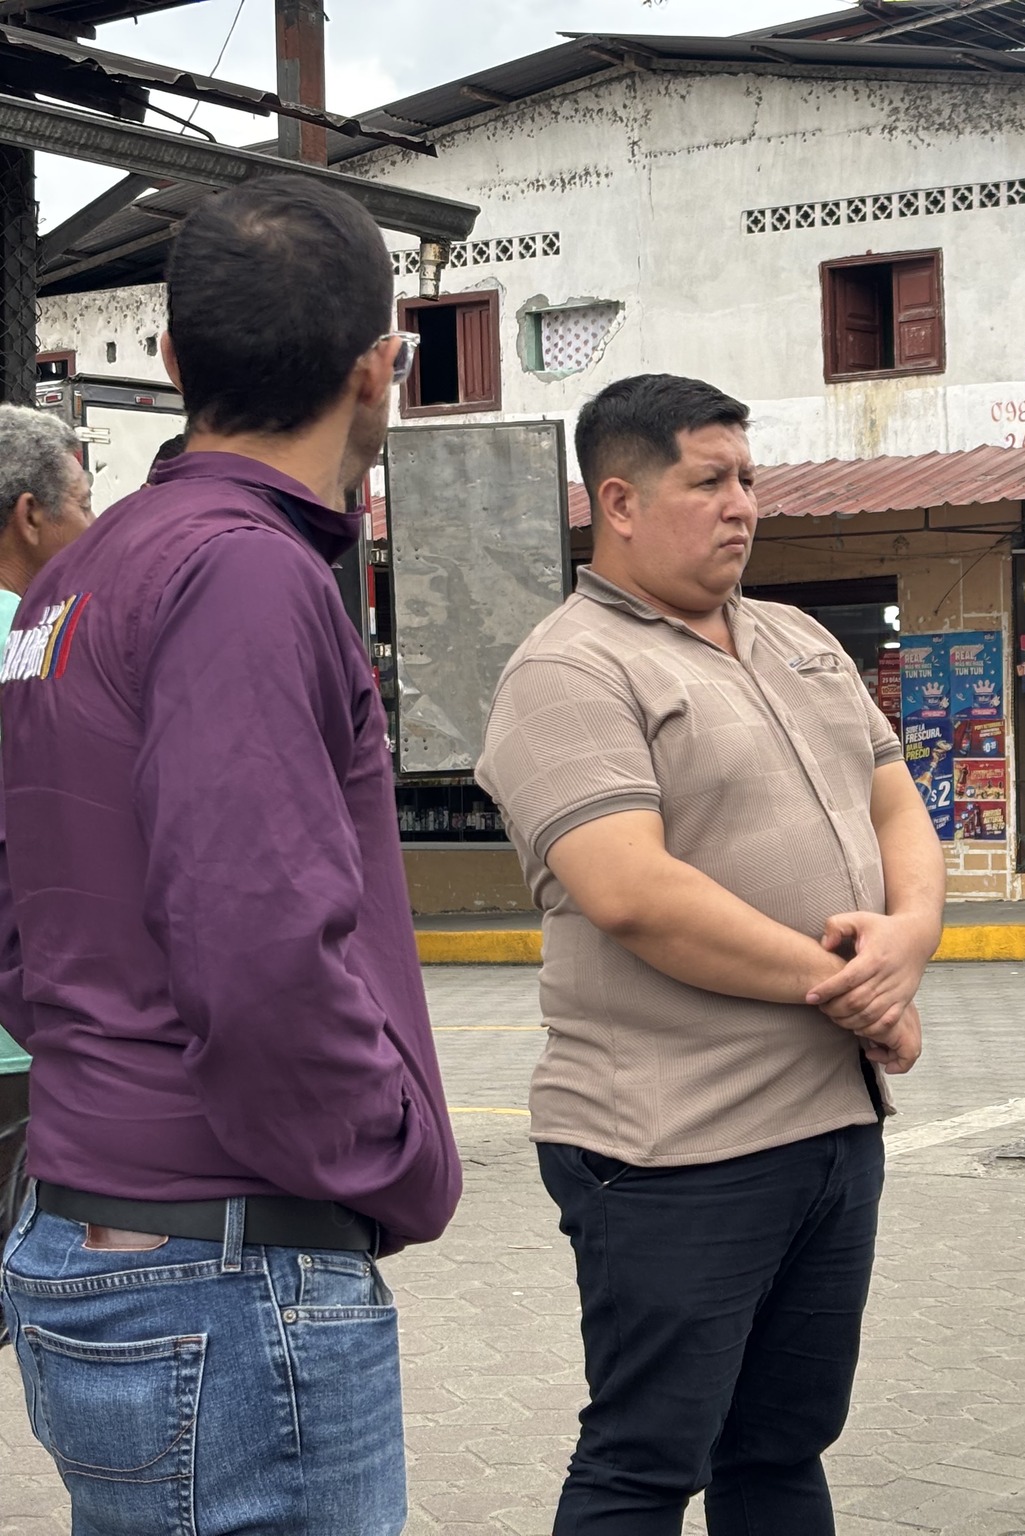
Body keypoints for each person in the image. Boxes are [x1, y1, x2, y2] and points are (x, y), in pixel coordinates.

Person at [0, 176, 461, 1534]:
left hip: (97, 1222)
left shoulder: (71, 581)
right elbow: (258, 944)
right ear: (380, 367)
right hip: (230, 1261)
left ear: (171, 359)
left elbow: (22, 917)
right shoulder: (244, 574)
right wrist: (391, 1155)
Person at [475, 372, 943, 1534]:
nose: (742, 505)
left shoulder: (796, 638)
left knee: (781, 1446)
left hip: (828, 1127)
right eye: (709, 481)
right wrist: (851, 987)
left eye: (747, 478)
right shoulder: (569, 668)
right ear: (619, 502)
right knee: (646, 1459)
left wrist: (907, 939)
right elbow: (632, 894)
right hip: (672, 1144)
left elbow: (896, 805)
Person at [0, 404, 94, 1239]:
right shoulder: (46, 638)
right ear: (30, 515)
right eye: (86, 505)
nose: (94, 529)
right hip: (26, 1038)